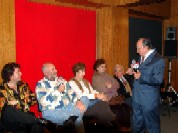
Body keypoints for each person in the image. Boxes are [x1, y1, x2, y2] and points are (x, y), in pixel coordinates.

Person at [35, 62, 89, 133]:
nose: (56, 70)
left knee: (85, 98)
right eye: (53, 69)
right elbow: (43, 102)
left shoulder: (61, 80)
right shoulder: (40, 84)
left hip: (68, 107)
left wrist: (78, 101)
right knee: (78, 119)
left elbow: (72, 93)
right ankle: (74, 116)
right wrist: (58, 91)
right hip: (52, 111)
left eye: (55, 69)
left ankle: (72, 117)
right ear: (46, 73)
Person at [126, 38, 165, 133]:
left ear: (146, 47)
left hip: (149, 100)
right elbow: (142, 71)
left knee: (152, 127)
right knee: (137, 126)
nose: (137, 51)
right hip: (137, 97)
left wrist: (141, 77)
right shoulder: (141, 57)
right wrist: (133, 72)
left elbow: (158, 80)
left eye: (138, 48)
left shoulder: (158, 60)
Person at [0, 62, 44, 133]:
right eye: (18, 72)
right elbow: (3, 110)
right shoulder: (1, 89)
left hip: (25, 118)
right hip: (11, 121)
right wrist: (10, 104)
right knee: (7, 109)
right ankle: (37, 120)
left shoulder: (23, 85)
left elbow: (33, 100)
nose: (21, 73)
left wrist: (18, 102)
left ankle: (36, 121)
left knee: (37, 127)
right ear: (10, 75)